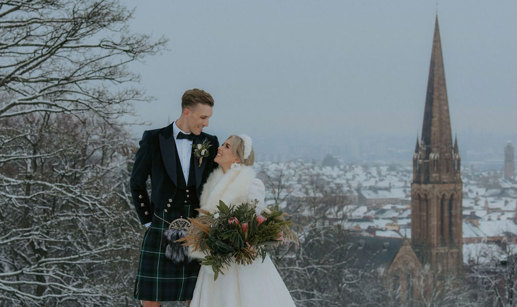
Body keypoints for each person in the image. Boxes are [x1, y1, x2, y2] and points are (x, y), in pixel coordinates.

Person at [130, 89, 219, 307]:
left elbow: (217, 183)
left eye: (208, 118)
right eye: (203, 117)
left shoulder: (210, 142)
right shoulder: (154, 139)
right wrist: (149, 219)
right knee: (150, 299)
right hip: (162, 223)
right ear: (187, 112)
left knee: (197, 296)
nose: (206, 123)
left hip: (197, 227)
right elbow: (137, 182)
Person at [189, 135, 296, 307]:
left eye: (227, 146)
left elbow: (256, 221)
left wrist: (242, 238)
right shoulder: (212, 184)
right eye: (222, 144)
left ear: (238, 157)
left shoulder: (251, 184)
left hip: (242, 261)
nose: (220, 148)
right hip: (215, 261)